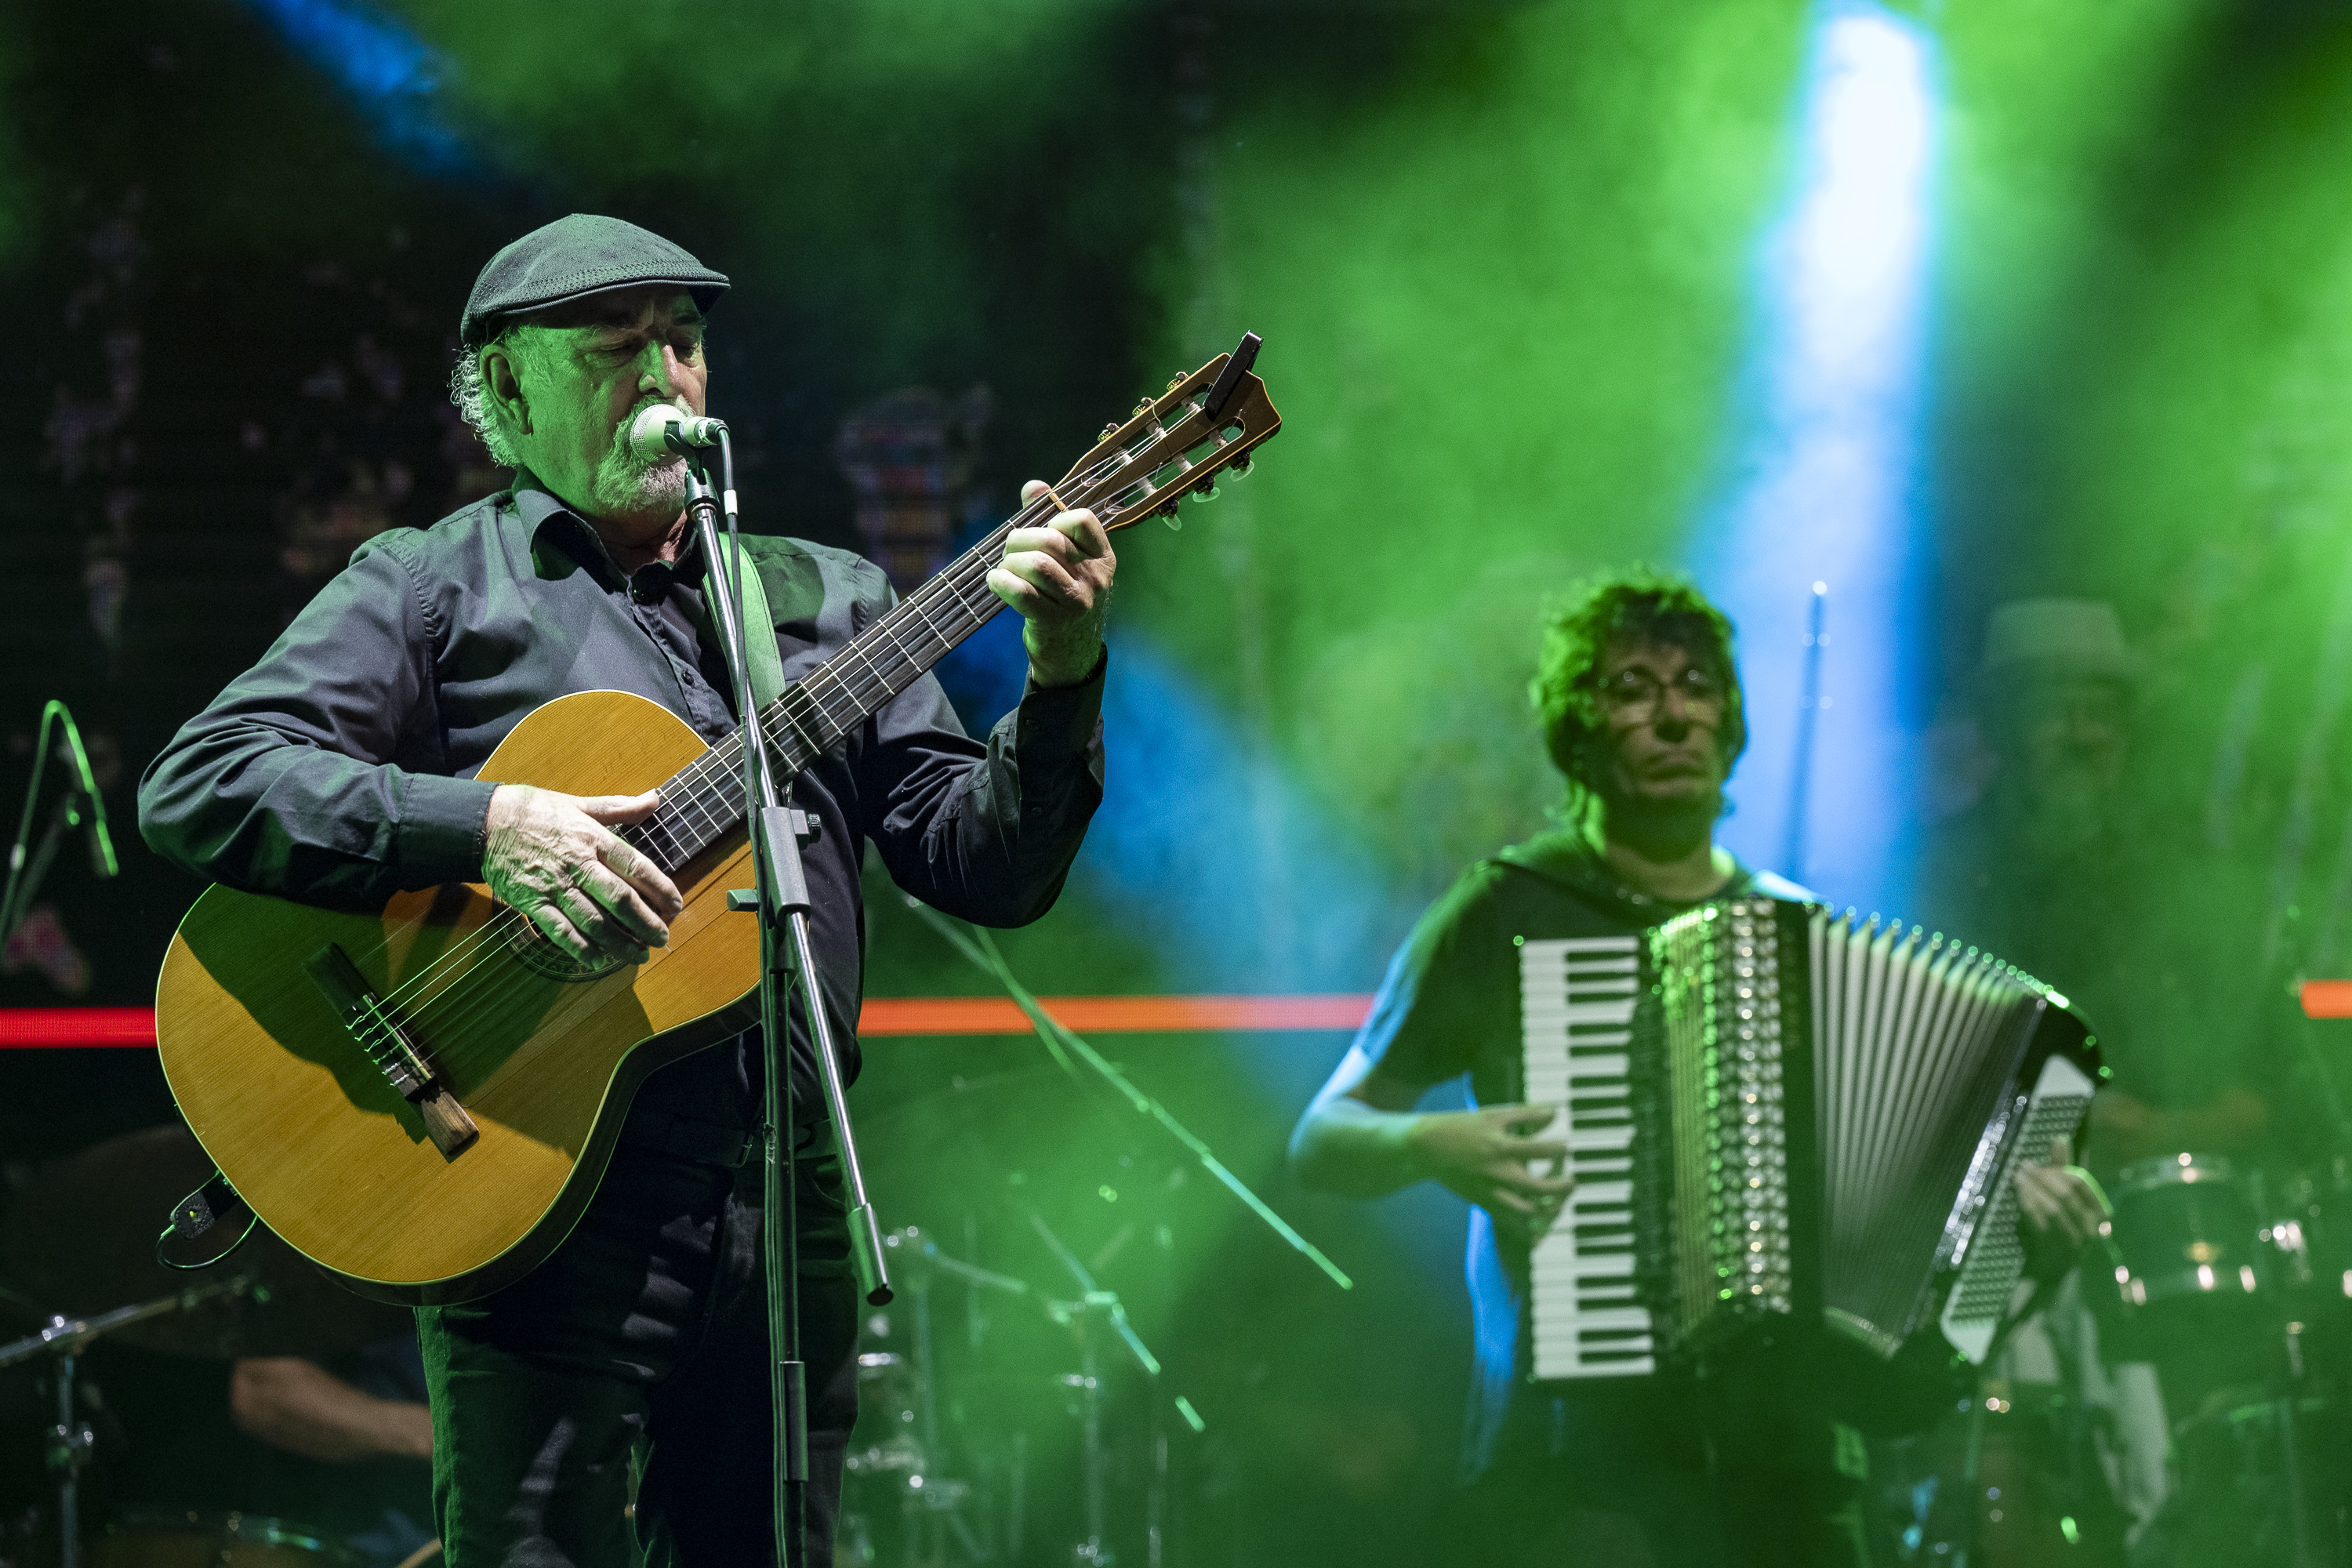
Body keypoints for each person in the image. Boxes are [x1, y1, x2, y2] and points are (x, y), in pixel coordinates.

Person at [137, 213, 1116, 1566]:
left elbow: (986, 869)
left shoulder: (829, 604)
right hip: (534, 1199)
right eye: (616, 349)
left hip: (789, 1204)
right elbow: (206, 779)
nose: (665, 376)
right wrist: (485, 826)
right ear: (511, 392)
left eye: (685, 342)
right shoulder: (432, 589)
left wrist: (1061, 675)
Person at [1288, 568, 2109, 1567]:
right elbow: (1322, 1138)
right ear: (1578, 731)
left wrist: (2027, 1239)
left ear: (1730, 726)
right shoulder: (1509, 908)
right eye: (1633, 688)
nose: (1673, 714)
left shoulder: (1801, 934)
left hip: (1796, 1461)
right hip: (1585, 1460)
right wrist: (1430, 1141)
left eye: (1698, 687)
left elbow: (1928, 1293)